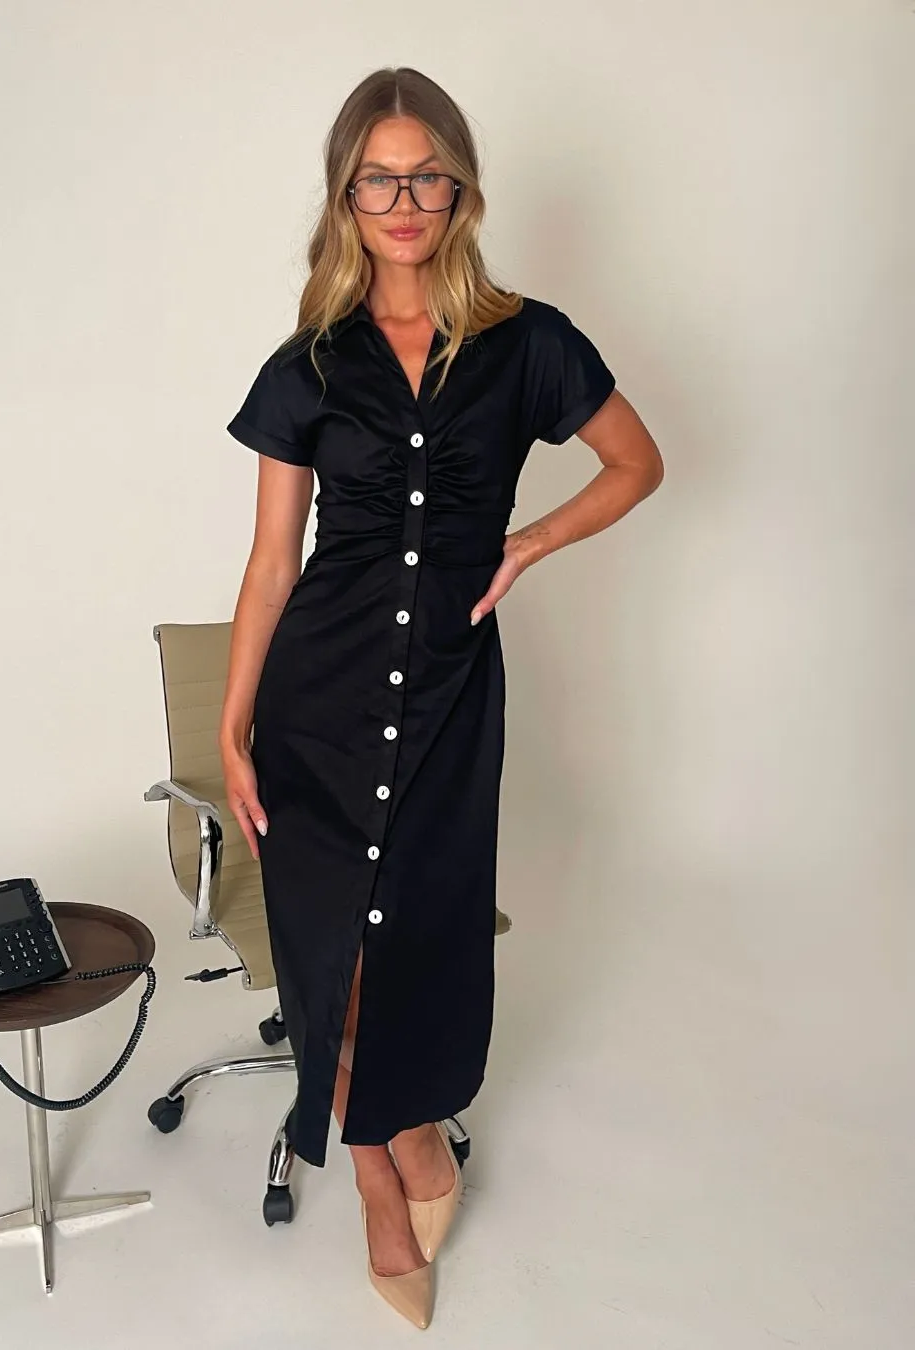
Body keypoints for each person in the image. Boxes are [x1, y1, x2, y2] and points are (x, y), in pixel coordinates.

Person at [220, 66, 663, 1329]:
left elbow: (638, 462)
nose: (402, 199)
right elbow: (269, 563)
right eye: (377, 178)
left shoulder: (529, 343)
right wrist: (231, 722)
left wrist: (533, 541)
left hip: (452, 698)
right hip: (319, 694)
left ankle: (411, 1130)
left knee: (413, 930)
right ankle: (382, 1166)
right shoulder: (308, 366)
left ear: (460, 189)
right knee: (330, 946)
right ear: (345, 198)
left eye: (425, 175)